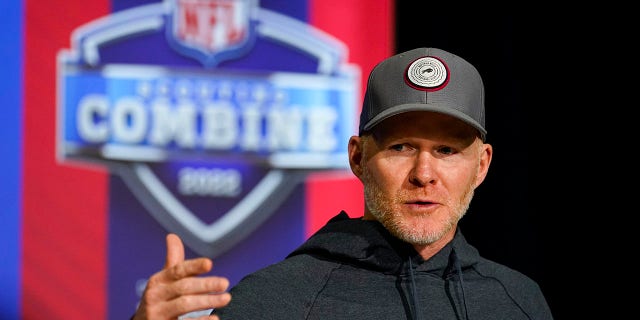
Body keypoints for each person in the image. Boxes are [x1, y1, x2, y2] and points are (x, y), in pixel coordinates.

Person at [132, 47, 553, 320]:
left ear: (481, 166)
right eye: (402, 147)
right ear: (358, 158)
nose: (424, 174)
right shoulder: (275, 301)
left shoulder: (520, 301)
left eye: (446, 151)